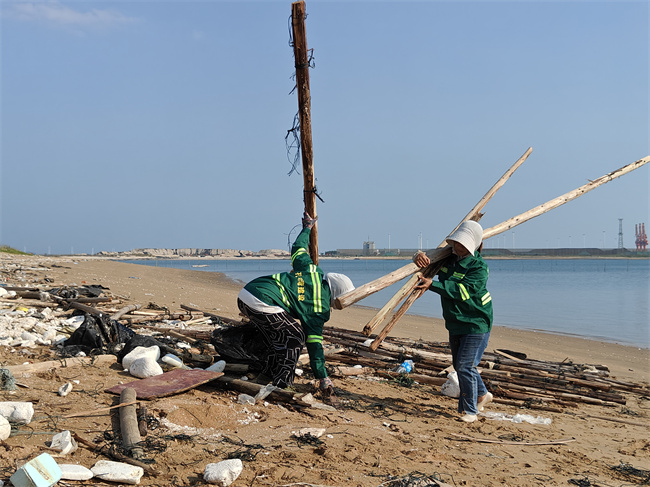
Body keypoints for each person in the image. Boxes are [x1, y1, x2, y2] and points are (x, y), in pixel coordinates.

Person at [237, 213, 355, 396]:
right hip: (264, 301)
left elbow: (299, 248)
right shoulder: (319, 309)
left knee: (276, 339)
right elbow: (315, 345)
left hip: (249, 292)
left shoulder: (312, 270)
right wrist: (322, 377)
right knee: (294, 337)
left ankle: (265, 376)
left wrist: (307, 227)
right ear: (336, 295)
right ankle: (282, 385)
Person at [413, 220, 493, 423]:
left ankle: (471, 411)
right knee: (461, 365)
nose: (458, 247)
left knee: (465, 366)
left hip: (475, 322)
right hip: (455, 321)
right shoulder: (449, 260)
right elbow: (427, 262)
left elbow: (463, 292)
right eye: (457, 243)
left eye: (464, 245)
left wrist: (433, 286)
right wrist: (418, 255)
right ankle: (483, 394)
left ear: (474, 245)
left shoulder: (478, 267)